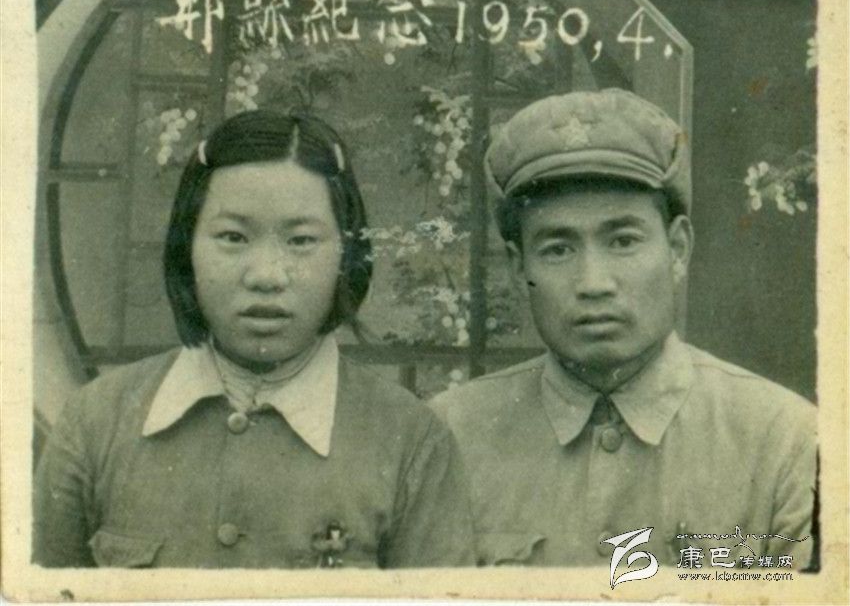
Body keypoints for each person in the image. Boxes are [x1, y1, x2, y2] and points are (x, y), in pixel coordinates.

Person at [34, 110, 474, 568]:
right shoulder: (95, 424)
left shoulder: (410, 442)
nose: (266, 276)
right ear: (187, 247)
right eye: (233, 237)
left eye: (301, 241)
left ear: (346, 255)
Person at [430, 89, 817, 568]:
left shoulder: (785, 443)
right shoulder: (447, 439)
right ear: (517, 267)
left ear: (677, 248)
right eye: (557, 249)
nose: (594, 283)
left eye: (623, 241)